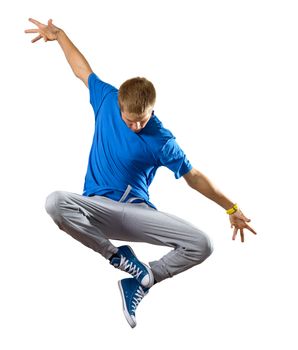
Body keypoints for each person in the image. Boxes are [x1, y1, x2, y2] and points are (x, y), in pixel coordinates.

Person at [25, 18, 257, 328]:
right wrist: (61, 35)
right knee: (55, 201)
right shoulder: (107, 100)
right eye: (130, 120)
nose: (136, 126)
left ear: (152, 110)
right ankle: (120, 258)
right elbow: (82, 70)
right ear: (120, 106)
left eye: (142, 120)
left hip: (136, 213)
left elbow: (194, 176)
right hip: (98, 208)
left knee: (203, 244)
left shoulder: (162, 140)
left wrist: (231, 207)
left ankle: (142, 280)